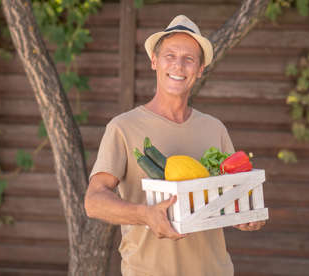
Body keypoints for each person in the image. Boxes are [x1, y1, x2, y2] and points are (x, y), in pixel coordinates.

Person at [84, 15, 266, 276]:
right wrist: (144, 214)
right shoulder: (123, 127)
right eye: (170, 55)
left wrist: (246, 216)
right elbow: (93, 201)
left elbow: (228, 199)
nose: (178, 65)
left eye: (189, 59)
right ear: (154, 62)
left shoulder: (214, 129)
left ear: (200, 69)